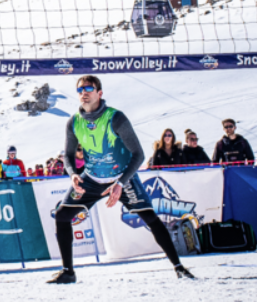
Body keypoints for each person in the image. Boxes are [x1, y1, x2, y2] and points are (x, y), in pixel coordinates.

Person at [49, 75, 193, 285]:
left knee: (150, 218)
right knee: (62, 215)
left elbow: (139, 155)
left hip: (121, 178)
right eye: (80, 89)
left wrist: (120, 184)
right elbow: (68, 156)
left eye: (89, 88)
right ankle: (68, 272)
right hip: (91, 179)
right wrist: (73, 175)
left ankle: (178, 267)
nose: (84, 92)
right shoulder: (73, 122)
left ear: (100, 93)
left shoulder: (116, 118)